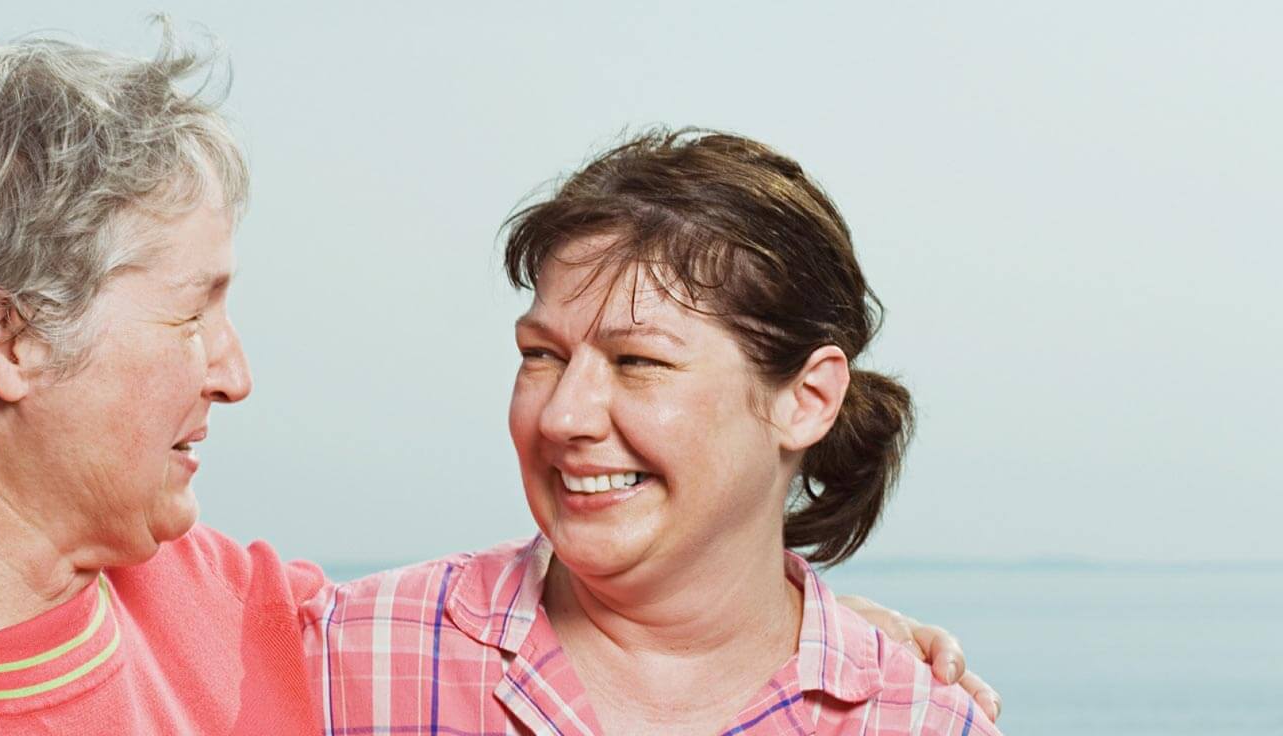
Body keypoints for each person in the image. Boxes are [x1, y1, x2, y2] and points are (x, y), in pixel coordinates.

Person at [0, 30, 995, 736]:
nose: (239, 373)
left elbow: (668, 613)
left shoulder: (226, 614)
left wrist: (814, 621)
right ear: (9, 342)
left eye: (636, 360)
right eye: (195, 310)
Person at [308, 129, 1001, 735]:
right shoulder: (343, 656)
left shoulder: (922, 722)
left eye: (638, 361)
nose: (562, 416)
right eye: (540, 355)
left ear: (807, 399)